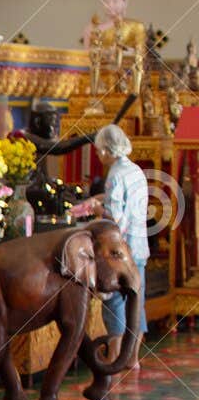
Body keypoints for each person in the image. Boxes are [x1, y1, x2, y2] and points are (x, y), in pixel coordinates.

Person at [88, 123, 148, 369]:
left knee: (113, 302)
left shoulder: (114, 174)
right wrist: (103, 198)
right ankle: (132, 359)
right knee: (137, 302)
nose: (98, 155)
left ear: (106, 150)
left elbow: (115, 218)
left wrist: (96, 209)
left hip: (120, 253)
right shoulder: (135, 170)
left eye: (99, 150)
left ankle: (113, 359)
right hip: (140, 248)